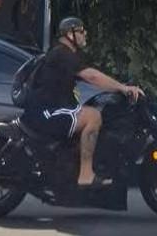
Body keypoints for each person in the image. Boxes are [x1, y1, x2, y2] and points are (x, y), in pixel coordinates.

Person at [21, 17, 143, 188]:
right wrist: (123, 88)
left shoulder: (64, 54)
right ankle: (86, 175)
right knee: (93, 116)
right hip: (49, 112)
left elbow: (90, 75)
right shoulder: (62, 54)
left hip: (50, 109)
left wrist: (117, 85)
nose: (85, 34)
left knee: (91, 110)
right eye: (81, 30)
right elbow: (92, 76)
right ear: (69, 34)